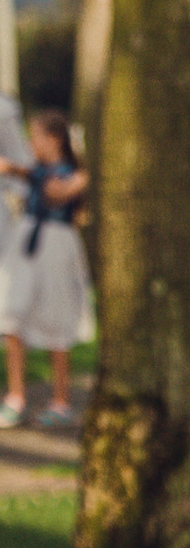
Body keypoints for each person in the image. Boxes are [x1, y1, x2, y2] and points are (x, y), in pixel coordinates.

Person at [1, 109, 90, 429]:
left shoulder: (75, 175)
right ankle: (15, 396)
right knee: (12, 314)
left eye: (34, 136)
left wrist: (19, 170)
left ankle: (61, 400)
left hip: (55, 248)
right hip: (26, 244)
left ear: (53, 139)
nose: (29, 142)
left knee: (56, 320)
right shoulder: (33, 173)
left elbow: (56, 192)